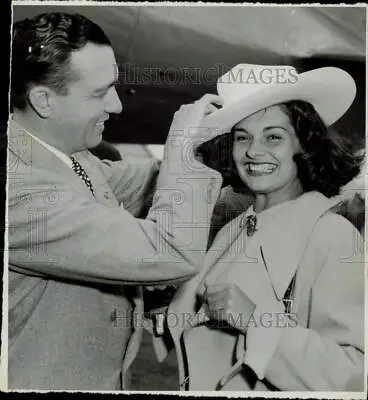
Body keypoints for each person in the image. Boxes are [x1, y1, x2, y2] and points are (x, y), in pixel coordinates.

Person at [7, 12, 223, 390]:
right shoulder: (19, 191)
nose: (118, 105)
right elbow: (171, 252)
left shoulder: (67, 157)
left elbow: (142, 181)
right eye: (99, 92)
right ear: (43, 100)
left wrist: (220, 141)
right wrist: (181, 149)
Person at [152, 64, 365, 391]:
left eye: (274, 137)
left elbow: (353, 375)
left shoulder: (331, 234)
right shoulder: (234, 229)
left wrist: (257, 321)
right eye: (242, 138)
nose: (253, 151)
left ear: (304, 146)